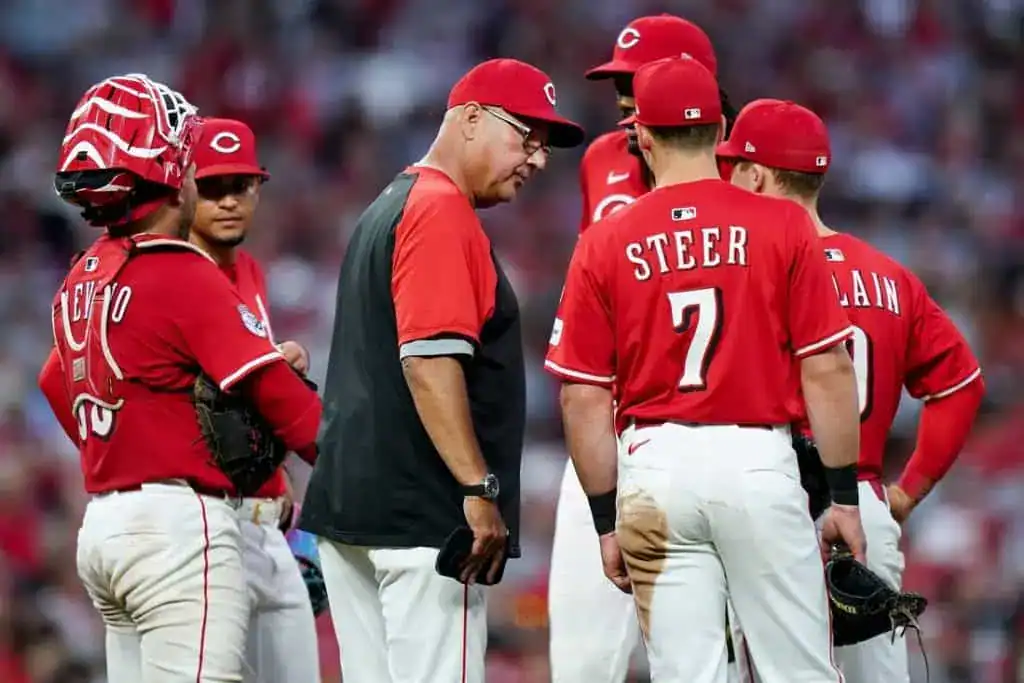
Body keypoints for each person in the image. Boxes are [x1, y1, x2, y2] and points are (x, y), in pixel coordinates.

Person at [544, 56, 864, 683]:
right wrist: (845, 496)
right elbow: (826, 368)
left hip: (653, 469)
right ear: (721, 129)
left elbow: (581, 398)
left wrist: (605, 523)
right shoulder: (782, 225)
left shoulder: (604, 241)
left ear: (642, 134)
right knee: (797, 670)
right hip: (756, 462)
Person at [296, 58, 584, 683]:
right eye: (525, 136)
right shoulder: (439, 210)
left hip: (355, 509)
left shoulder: (389, 204)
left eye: (544, 147)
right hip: (421, 513)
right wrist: (478, 489)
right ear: (472, 120)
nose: (536, 159)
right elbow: (428, 362)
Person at [36, 74, 322, 683]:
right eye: (190, 162)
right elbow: (283, 402)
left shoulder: (81, 276)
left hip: (107, 527)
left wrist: (134, 447)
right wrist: (369, 479)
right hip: (177, 530)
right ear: (166, 172)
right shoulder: (180, 271)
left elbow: (55, 384)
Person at [717, 98, 986, 683]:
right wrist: (908, 493)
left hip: (775, 497)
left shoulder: (752, 271)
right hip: (861, 504)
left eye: (733, 165)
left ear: (757, 174)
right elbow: (961, 385)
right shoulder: (889, 275)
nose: (726, 177)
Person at [552, 15, 746, 683]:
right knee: (580, 657)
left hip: (711, 432)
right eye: (618, 85)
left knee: (714, 655)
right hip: (605, 426)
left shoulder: (745, 168)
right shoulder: (604, 157)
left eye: (636, 83)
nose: (623, 102)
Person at [187, 116, 321, 683]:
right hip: (207, 525)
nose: (229, 201)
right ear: (182, 186)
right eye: (213, 186)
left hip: (268, 521)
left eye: (241, 185)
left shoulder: (249, 271)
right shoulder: (171, 274)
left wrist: (277, 473)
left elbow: (247, 393)